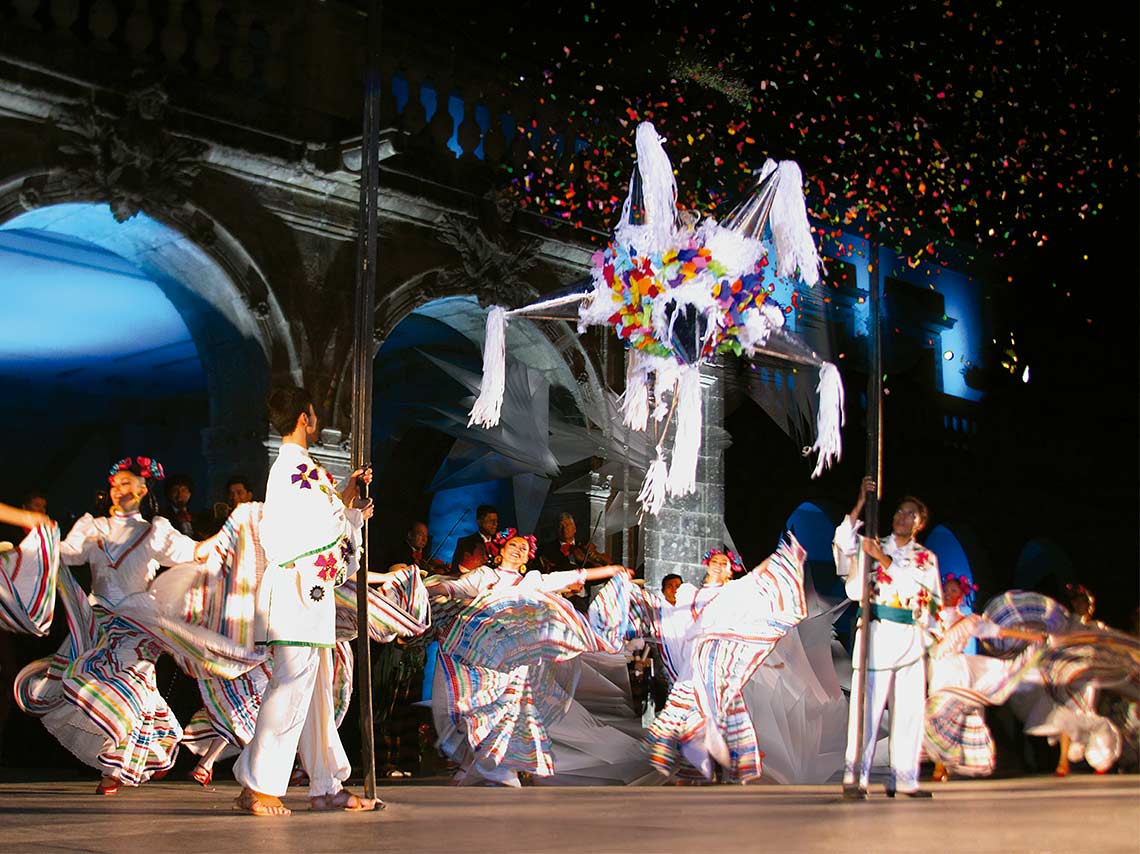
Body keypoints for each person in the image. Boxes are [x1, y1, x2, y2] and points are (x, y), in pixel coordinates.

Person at [13, 456, 259, 795]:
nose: (118, 490)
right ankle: (159, 742)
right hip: (98, 622)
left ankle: (113, 769)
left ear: (143, 490)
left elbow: (194, 552)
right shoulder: (94, 528)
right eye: (115, 485)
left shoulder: (155, 532)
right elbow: (65, 553)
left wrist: (232, 536)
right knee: (100, 686)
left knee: (128, 686)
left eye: (126, 484)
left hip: (138, 623)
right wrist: (40, 539)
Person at [233, 386, 378, 817]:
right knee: (291, 686)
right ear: (304, 418)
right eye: (314, 414)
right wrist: (351, 516)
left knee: (316, 694)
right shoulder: (294, 468)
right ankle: (258, 786)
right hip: (298, 590)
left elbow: (321, 515)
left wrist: (347, 498)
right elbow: (319, 530)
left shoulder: (302, 469)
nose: (316, 421)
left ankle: (325, 784)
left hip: (308, 595)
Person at [427, 529, 640, 786]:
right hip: (483, 659)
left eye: (524, 549)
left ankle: (498, 766)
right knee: (479, 709)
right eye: (513, 545)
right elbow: (455, 587)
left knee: (513, 710)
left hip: (518, 661)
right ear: (500, 551)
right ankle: (479, 763)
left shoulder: (531, 581)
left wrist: (611, 570)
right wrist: (424, 590)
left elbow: (569, 576)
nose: (518, 550)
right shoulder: (486, 576)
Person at [644, 537, 809, 783]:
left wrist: (779, 558)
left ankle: (716, 761)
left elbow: (757, 576)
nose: (719, 566)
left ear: (731, 570)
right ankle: (696, 763)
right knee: (698, 703)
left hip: (722, 656)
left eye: (724, 563)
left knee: (717, 704)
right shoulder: (690, 593)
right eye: (715, 561)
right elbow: (675, 617)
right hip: (697, 657)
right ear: (708, 565)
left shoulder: (734, 591)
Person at [835, 476, 941, 799]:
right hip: (878, 635)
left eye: (910, 514)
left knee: (909, 709)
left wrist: (882, 560)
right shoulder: (874, 544)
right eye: (899, 511)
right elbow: (849, 573)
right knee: (867, 707)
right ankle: (858, 779)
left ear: (919, 523)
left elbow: (922, 593)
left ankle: (905, 779)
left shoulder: (925, 558)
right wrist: (858, 508)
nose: (902, 516)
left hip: (909, 636)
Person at [538, 512, 612, 612]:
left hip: (583, 597)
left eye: (568, 525)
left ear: (574, 528)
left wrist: (593, 556)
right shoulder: (548, 548)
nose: (565, 529)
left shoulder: (583, 546)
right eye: (561, 526)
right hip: (561, 596)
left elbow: (607, 564)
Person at [450, 505, 498, 572]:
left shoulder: (501, 542)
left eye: (496, 521)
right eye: (491, 520)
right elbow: (455, 570)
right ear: (480, 522)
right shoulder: (465, 543)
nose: (495, 524)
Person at [164, 473, 197, 538]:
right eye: (175, 490)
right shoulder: (162, 516)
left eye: (184, 490)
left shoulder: (197, 516)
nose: (180, 495)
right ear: (169, 494)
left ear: (189, 494)